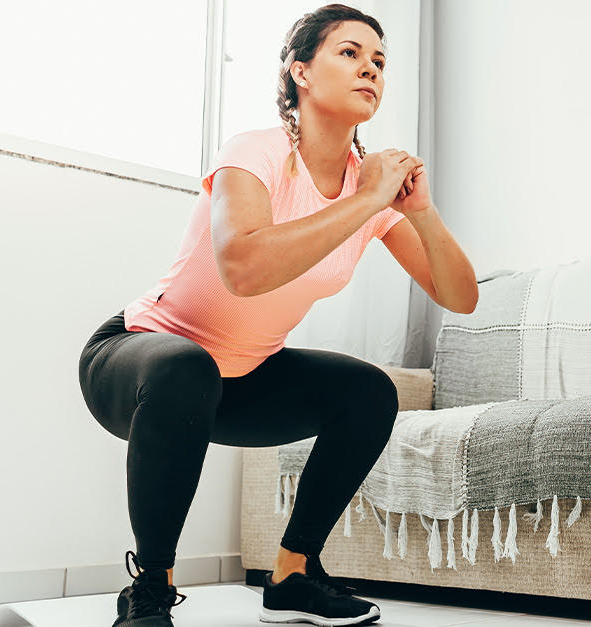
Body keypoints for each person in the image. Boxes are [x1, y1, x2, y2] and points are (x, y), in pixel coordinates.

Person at [77, 4, 453, 625]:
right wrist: (366, 202)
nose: (371, 70)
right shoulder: (256, 152)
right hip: (137, 360)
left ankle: (293, 577)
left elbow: (457, 294)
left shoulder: (372, 192)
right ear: (300, 71)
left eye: (380, 61)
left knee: (368, 392)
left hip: (240, 381)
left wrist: (421, 212)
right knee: (185, 365)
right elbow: (244, 269)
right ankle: (149, 587)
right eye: (350, 53)